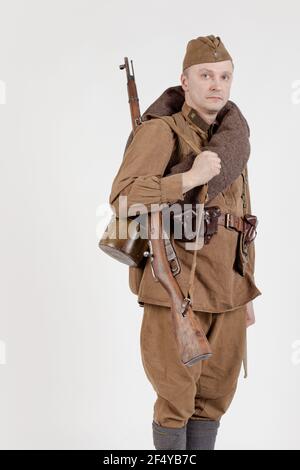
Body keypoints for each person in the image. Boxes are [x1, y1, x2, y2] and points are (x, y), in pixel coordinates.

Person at [109, 35, 262, 450]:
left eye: (224, 76)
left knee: (213, 400)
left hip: (228, 289)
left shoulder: (232, 138)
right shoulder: (161, 131)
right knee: (176, 398)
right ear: (185, 80)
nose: (216, 84)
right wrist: (189, 178)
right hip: (176, 288)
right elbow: (123, 198)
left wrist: (246, 288)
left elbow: (241, 217)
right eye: (205, 75)